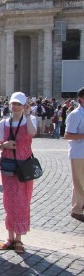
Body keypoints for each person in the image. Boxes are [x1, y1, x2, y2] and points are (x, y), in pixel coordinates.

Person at [0, 92, 37, 254]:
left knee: (22, 201)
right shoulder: (3, 123)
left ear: (24, 106)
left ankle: (19, 239)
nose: (15, 107)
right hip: (8, 165)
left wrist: (26, 115)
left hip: (24, 166)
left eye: (19, 104)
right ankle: (10, 237)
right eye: (13, 104)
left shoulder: (30, 120)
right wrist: (5, 145)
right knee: (9, 201)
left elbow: (32, 133)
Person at [65, 87, 84, 222]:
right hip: (78, 152)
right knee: (78, 181)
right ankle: (77, 209)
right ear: (81, 99)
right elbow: (67, 135)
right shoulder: (75, 114)